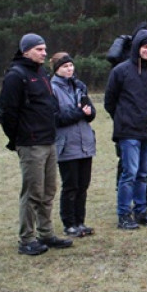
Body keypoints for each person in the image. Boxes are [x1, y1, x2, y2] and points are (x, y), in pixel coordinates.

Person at [0, 33, 74, 255]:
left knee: (48, 190)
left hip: (49, 140)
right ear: (26, 51)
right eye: (39, 49)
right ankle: (27, 238)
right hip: (31, 143)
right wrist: (18, 138)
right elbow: (7, 112)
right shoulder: (16, 76)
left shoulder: (41, 74)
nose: (44, 53)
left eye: (44, 49)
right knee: (33, 192)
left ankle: (46, 233)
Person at [104, 27, 147, 229]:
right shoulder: (121, 71)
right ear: (137, 47)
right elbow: (110, 101)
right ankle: (124, 214)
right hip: (128, 131)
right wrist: (123, 118)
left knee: (143, 173)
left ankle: (141, 211)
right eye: (145, 47)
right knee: (129, 173)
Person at [50, 53, 97, 237]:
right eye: (65, 66)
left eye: (71, 65)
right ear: (57, 69)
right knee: (70, 186)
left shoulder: (79, 86)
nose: (69, 69)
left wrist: (89, 112)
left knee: (83, 185)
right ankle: (69, 223)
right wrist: (79, 113)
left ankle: (80, 221)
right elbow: (56, 118)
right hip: (66, 144)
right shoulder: (52, 89)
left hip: (85, 142)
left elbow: (90, 113)